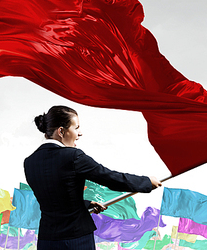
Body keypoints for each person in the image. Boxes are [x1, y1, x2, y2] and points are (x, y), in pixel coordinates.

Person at [24, 105, 162, 250]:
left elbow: (54, 197)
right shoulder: (73, 157)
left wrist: (85, 203)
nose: (80, 133)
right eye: (76, 128)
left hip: (47, 240)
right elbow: (110, 178)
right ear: (61, 131)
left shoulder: (29, 162)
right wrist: (146, 182)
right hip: (76, 240)